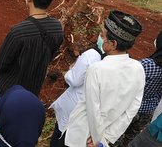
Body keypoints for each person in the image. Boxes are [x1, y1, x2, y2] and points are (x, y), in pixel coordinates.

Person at [65, 10, 145, 147]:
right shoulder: (138, 69)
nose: (100, 37)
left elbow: (93, 109)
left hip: (84, 137)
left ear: (113, 44)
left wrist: (96, 140)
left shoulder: (97, 69)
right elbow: (132, 109)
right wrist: (107, 138)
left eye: (103, 35)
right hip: (105, 139)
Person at [0, 0, 63, 101]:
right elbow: (50, 56)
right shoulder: (57, 28)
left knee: (2, 121)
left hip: (8, 93)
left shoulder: (18, 32)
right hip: (31, 93)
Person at [49, 42, 106, 146]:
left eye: (103, 35)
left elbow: (74, 80)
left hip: (74, 108)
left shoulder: (91, 55)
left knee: (60, 136)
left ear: (113, 43)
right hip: (91, 118)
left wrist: (70, 71)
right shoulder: (120, 65)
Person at [114, 30, 162, 146]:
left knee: (115, 137)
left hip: (131, 108)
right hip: (147, 112)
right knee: (130, 140)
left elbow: (128, 83)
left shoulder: (147, 64)